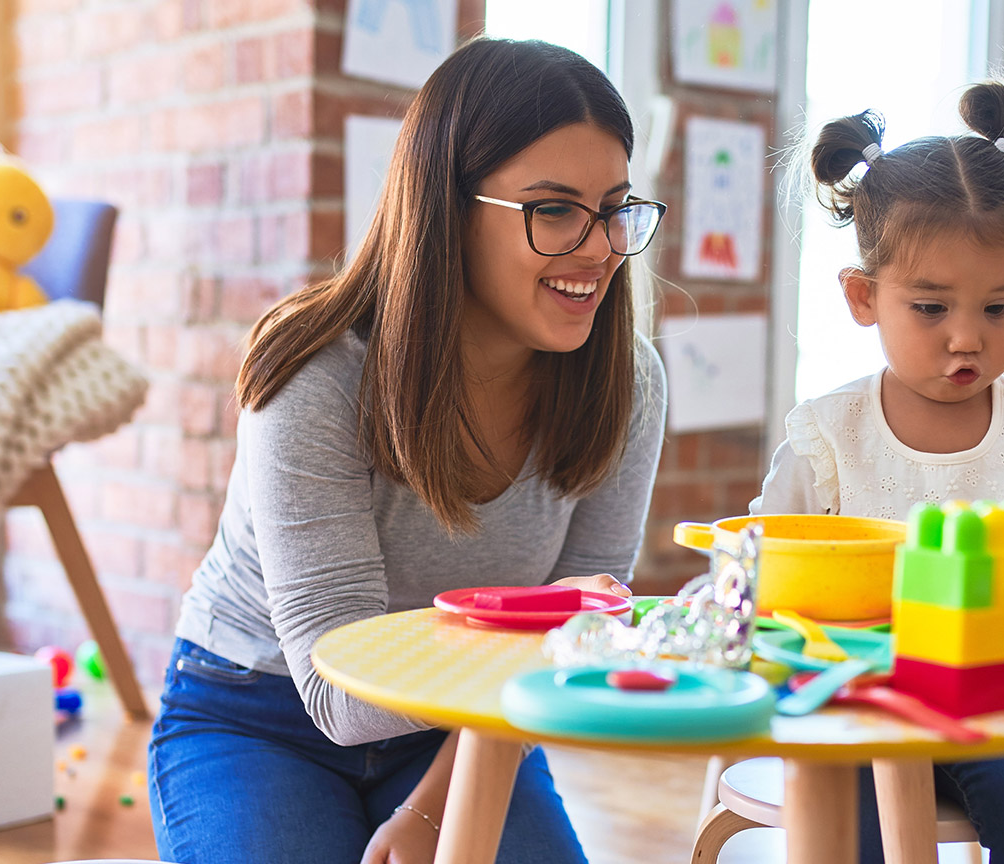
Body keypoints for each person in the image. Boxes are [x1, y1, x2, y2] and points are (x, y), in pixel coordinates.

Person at [148, 38, 668, 864]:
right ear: (446, 208)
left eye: (614, 207)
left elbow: (582, 624)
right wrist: (554, 633)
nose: (602, 247)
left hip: (469, 728)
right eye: (555, 209)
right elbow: (340, 694)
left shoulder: (626, 382)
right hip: (259, 709)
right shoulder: (315, 373)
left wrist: (431, 813)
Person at [752, 80, 1004, 863]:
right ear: (864, 297)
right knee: (852, 836)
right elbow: (761, 565)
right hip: (851, 710)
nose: (968, 339)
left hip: (1003, 709)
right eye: (931, 309)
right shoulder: (827, 432)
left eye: (999, 308)